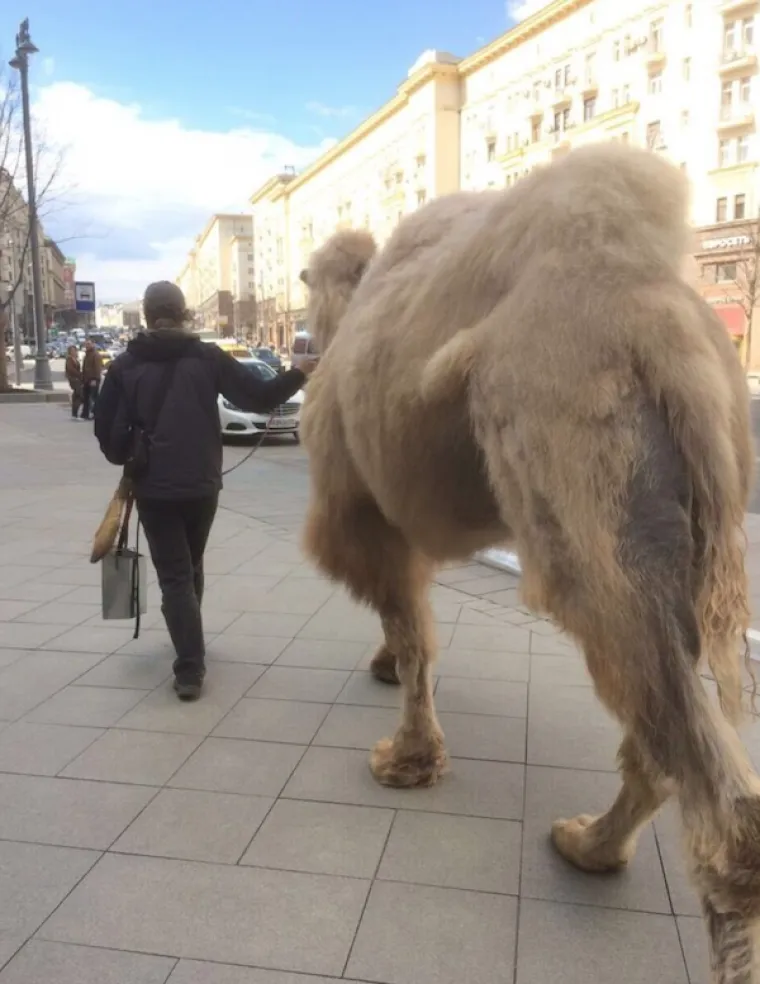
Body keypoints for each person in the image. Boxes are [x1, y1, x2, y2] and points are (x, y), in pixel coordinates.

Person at [94, 281, 317, 701]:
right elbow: (260, 396)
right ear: (183, 314)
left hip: (154, 489)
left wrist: (130, 452)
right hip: (202, 485)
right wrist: (298, 372)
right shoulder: (207, 358)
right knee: (190, 566)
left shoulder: (125, 366)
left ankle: (190, 666)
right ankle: (188, 640)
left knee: (176, 575)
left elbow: (107, 434)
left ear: (145, 315)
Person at [81, 339, 103, 420]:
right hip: (86, 380)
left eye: (89, 344)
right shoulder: (87, 355)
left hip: (93, 380)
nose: (87, 346)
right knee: (86, 398)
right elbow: (84, 368)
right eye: (86, 344)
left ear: (93, 344)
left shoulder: (95, 355)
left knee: (94, 398)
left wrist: (95, 379)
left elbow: (97, 368)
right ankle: (85, 414)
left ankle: (97, 414)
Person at [64, 345, 83, 419]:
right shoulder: (69, 359)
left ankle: (74, 414)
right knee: (80, 395)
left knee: (76, 395)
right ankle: (75, 414)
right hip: (74, 380)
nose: (74, 352)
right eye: (72, 351)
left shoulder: (75, 359)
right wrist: (80, 375)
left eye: (74, 350)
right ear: (69, 352)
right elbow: (71, 369)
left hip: (77, 379)